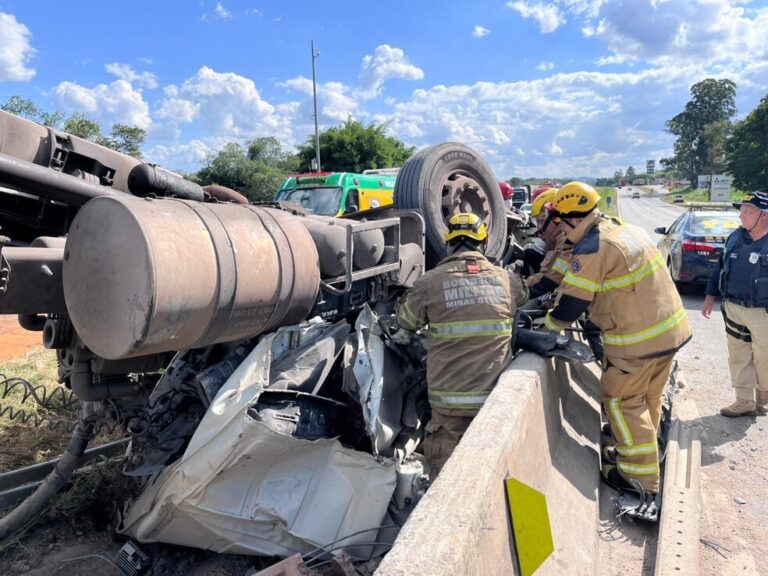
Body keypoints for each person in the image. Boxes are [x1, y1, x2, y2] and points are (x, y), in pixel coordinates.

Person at [541, 182, 691, 508]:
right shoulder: (621, 230)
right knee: (647, 401)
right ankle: (649, 457)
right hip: (669, 334)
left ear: (569, 219)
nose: (560, 229)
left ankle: (639, 482)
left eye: (560, 222)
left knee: (622, 404)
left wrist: (547, 328)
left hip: (636, 344)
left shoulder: (594, 247)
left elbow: (572, 304)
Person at [395, 213, 528, 476]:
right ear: (484, 242)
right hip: (494, 400)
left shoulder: (430, 282)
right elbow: (523, 297)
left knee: (448, 475)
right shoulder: (505, 279)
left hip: (449, 405)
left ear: (448, 244)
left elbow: (406, 321)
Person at [701, 191, 768, 417]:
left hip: (763, 312)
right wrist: (710, 296)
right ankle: (744, 400)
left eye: (748, 212)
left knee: (764, 356)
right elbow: (720, 268)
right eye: (741, 211)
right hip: (733, 308)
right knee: (738, 354)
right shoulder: (735, 238)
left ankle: (764, 395)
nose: (742, 216)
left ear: (765, 215)